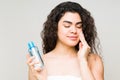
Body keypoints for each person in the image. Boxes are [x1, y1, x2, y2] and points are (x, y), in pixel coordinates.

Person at [26, 1, 104, 80]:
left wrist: (83, 61)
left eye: (79, 26)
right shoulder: (39, 63)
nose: (74, 30)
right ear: (55, 27)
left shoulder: (94, 60)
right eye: (67, 25)